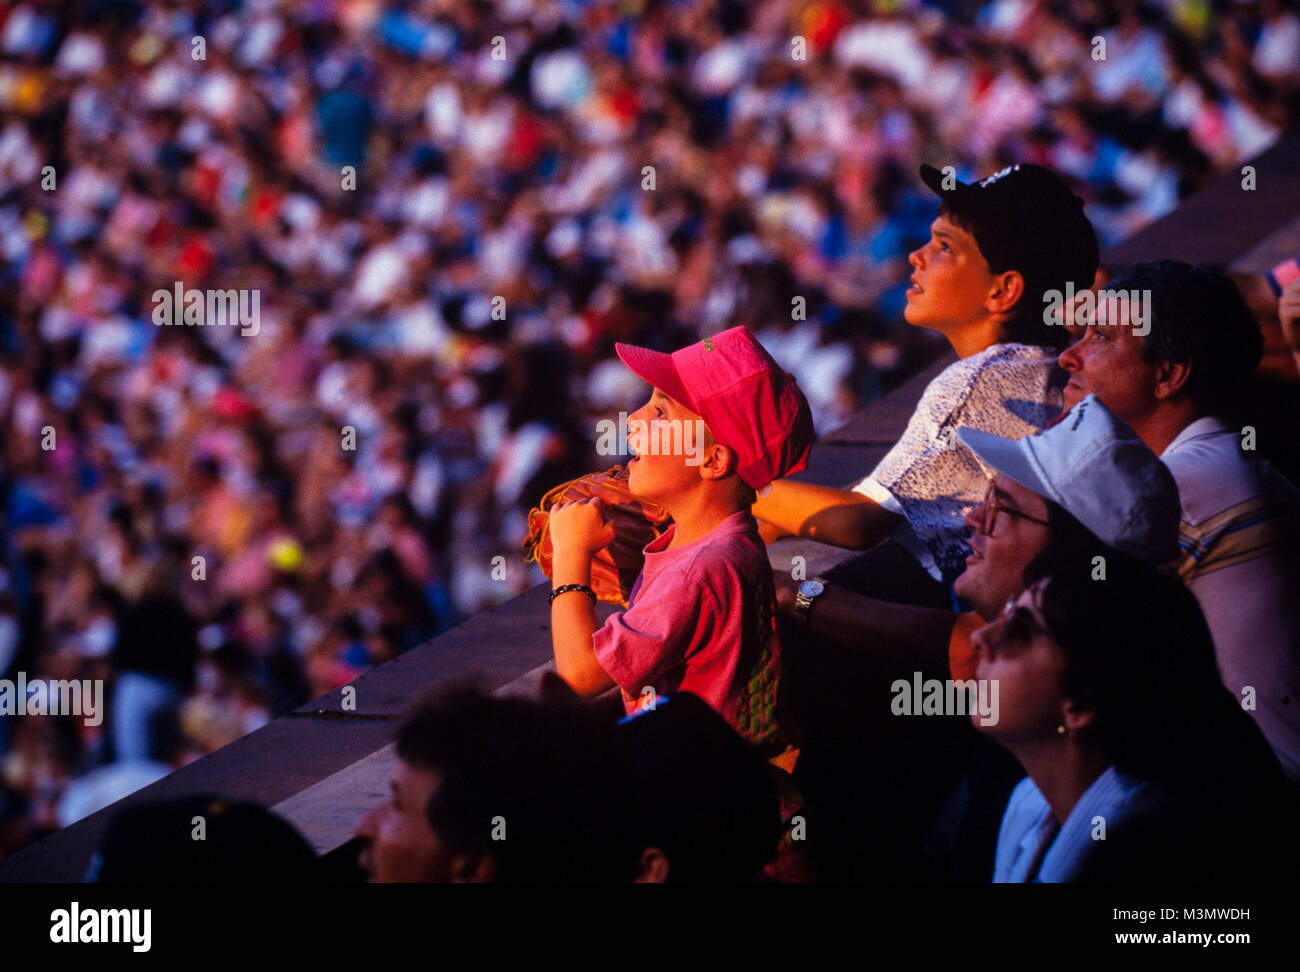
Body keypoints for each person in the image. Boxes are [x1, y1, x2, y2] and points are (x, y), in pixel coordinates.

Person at [757, 163, 1098, 609]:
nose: (917, 256)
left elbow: (860, 522)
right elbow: (880, 494)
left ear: (1003, 292)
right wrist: (776, 515)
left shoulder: (978, 382)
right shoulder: (1043, 369)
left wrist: (726, 481)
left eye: (944, 247)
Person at [1058, 260, 1300, 783]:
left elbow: (1057, 636)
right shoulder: (1221, 456)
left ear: (1168, 374)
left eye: (1099, 337)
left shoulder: (1180, 486)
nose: (1067, 355)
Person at [546, 325, 813, 758]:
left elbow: (579, 675)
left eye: (662, 413)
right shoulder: (722, 542)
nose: (634, 419)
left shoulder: (701, 569)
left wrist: (571, 555)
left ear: (711, 459)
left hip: (701, 801)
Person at [974, 557, 1293, 882]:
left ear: (1082, 701)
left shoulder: (1146, 863)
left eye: (1017, 631)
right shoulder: (1032, 803)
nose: (980, 639)